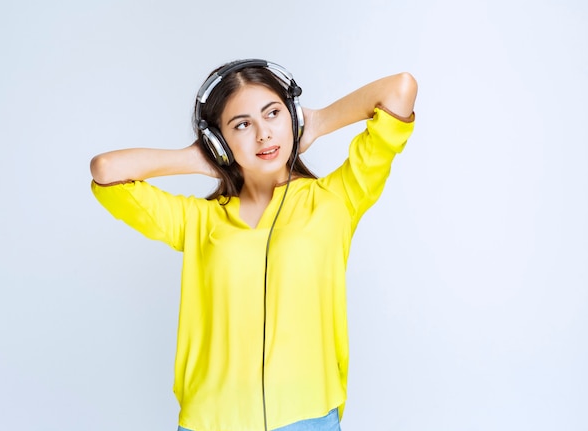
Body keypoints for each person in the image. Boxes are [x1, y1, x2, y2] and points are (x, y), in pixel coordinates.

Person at [90, 59, 417, 431]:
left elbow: (400, 89)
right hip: (210, 421)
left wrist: (319, 122)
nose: (264, 135)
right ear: (219, 140)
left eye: (273, 114)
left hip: (307, 417)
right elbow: (105, 170)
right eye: (242, 125)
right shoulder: (198, 220)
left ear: (292, 117)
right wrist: (198, 159)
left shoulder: (336, 199)